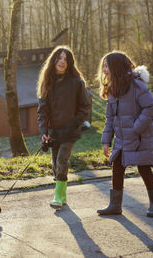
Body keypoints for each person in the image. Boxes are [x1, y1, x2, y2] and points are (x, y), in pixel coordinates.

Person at [97, 51, 153, 217]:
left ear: (116, 67)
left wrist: (135, 128)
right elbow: (110, 118)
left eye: (107, 66)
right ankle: (115, 205)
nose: (104, 70)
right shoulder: (112, 89)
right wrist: (106, 142)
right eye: (103, 66)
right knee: (117, 168)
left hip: (139, 139)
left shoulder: (137, 86)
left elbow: (151, 108)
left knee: (144, 169)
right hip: (121, 140)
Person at [37, 46, 91, 208]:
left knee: (62, 160)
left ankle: (58, 198)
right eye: (59, 58)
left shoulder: (76, 82)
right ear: (53, 60)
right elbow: (42, 111)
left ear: (70, 63)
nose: (62, 62)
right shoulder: (48, 83)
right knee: (55, 164)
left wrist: (75, 123)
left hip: (70, 131)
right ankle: (63, 195)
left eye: (65, 59)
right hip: (54, 132)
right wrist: (44, 132)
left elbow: (85, 107)